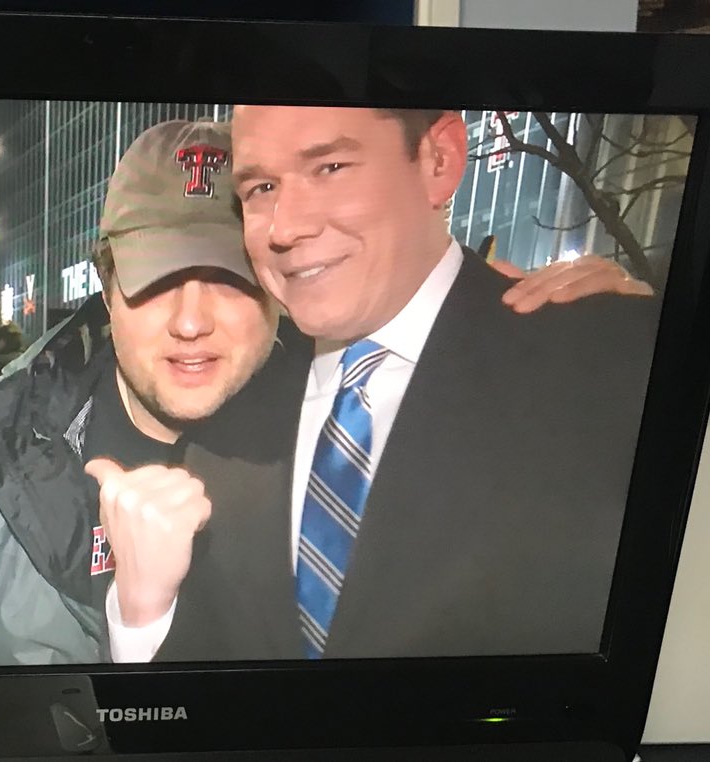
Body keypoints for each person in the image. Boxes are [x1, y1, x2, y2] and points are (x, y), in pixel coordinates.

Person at [0, 119, 647, 669]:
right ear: (106, 280)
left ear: (276, 284)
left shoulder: (346, 427)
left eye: (227, 282)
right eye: (157, 283)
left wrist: (552, 325)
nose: (192, 323)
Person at [100, 107, 662, 663]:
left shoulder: (623, 368)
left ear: (439, 159)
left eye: (331, 167)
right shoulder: (226, 417)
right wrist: (141, 619)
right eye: (262, 186)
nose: (286, 225)